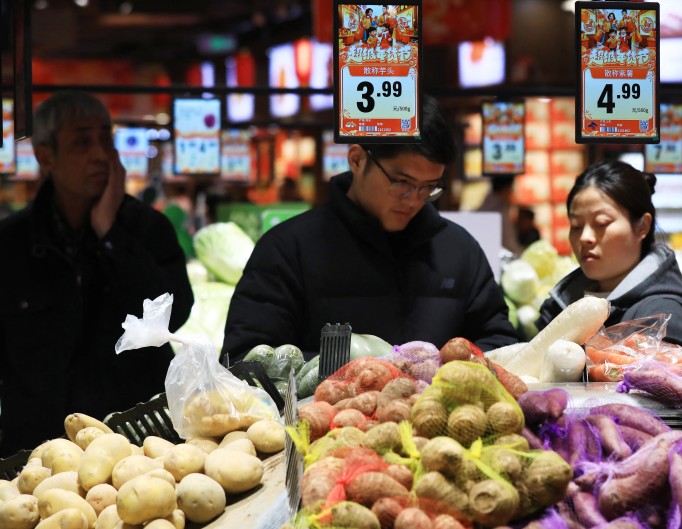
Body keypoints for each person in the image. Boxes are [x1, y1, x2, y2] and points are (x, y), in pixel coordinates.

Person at [222, 97, 518, 361]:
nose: (414, 199)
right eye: (401, 182)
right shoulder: (287, 249)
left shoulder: (459, 249)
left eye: (428, 187)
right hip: (322, 421)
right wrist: (356, 374)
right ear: (357, 159)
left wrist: (441, 374)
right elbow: (246, 358)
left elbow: (500, 342)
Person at [0, 91, 194, 457]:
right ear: (46, 157)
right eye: (82, 142)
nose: (101, 153)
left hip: (141, 443)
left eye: (107, 138)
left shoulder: (148, 230)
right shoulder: (11, 245)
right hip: (38, 451)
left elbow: (175, 314)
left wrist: (111, 236)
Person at [536, 160, 682, 349]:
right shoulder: (560, 307)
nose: (585, 237)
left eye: (601, 223)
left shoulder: (663, 317)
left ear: (642, 227)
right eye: (576, 226)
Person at [477, 175, 523, 255]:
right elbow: (509, 244)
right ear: (507, 189)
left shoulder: (489, 206)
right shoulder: (498, 211)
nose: (513, 193)